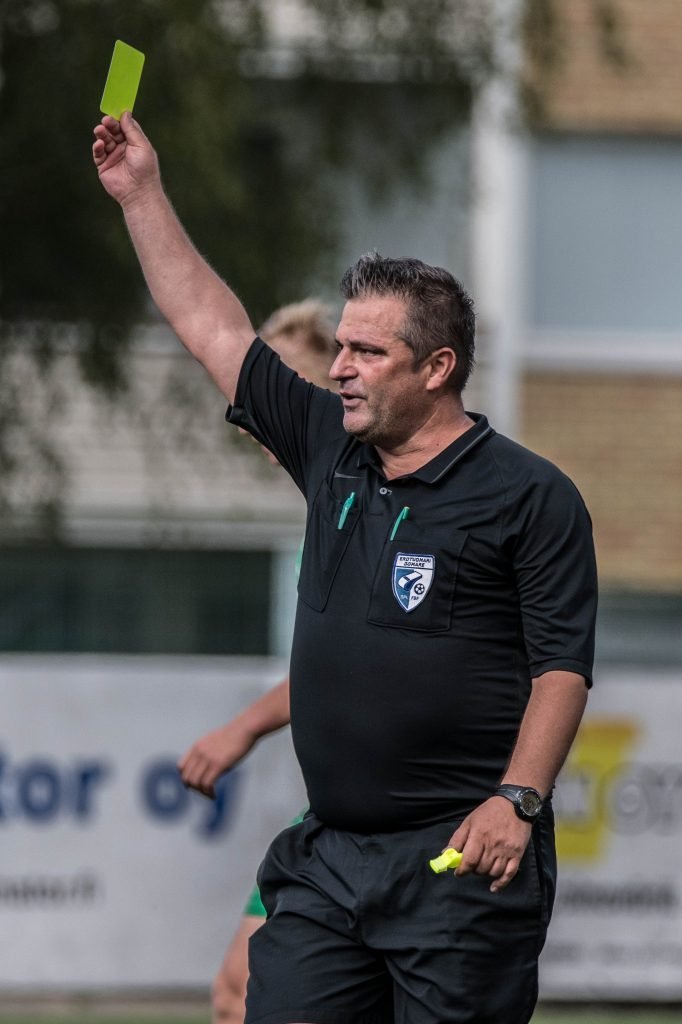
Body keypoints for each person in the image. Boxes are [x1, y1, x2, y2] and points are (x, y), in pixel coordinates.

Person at [93, 111, 598, 1024]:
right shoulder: (328, 445)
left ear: (437, 367)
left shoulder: (531, 495)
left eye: (367, 352)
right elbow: (212, 326)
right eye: (339, 347)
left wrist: (518, 801)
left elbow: (562, 668)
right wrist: (141, 194)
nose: (340, 369)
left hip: (457, 860)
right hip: (329, 858)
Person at [177, 300, 336, 1024]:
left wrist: (240, 728)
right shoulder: (328, 503)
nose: (267, 410)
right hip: (335, 814)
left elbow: (351, 666)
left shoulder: (377, 506)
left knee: (244, 989)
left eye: (288, 382)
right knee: (236, 992)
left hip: (391, 822)